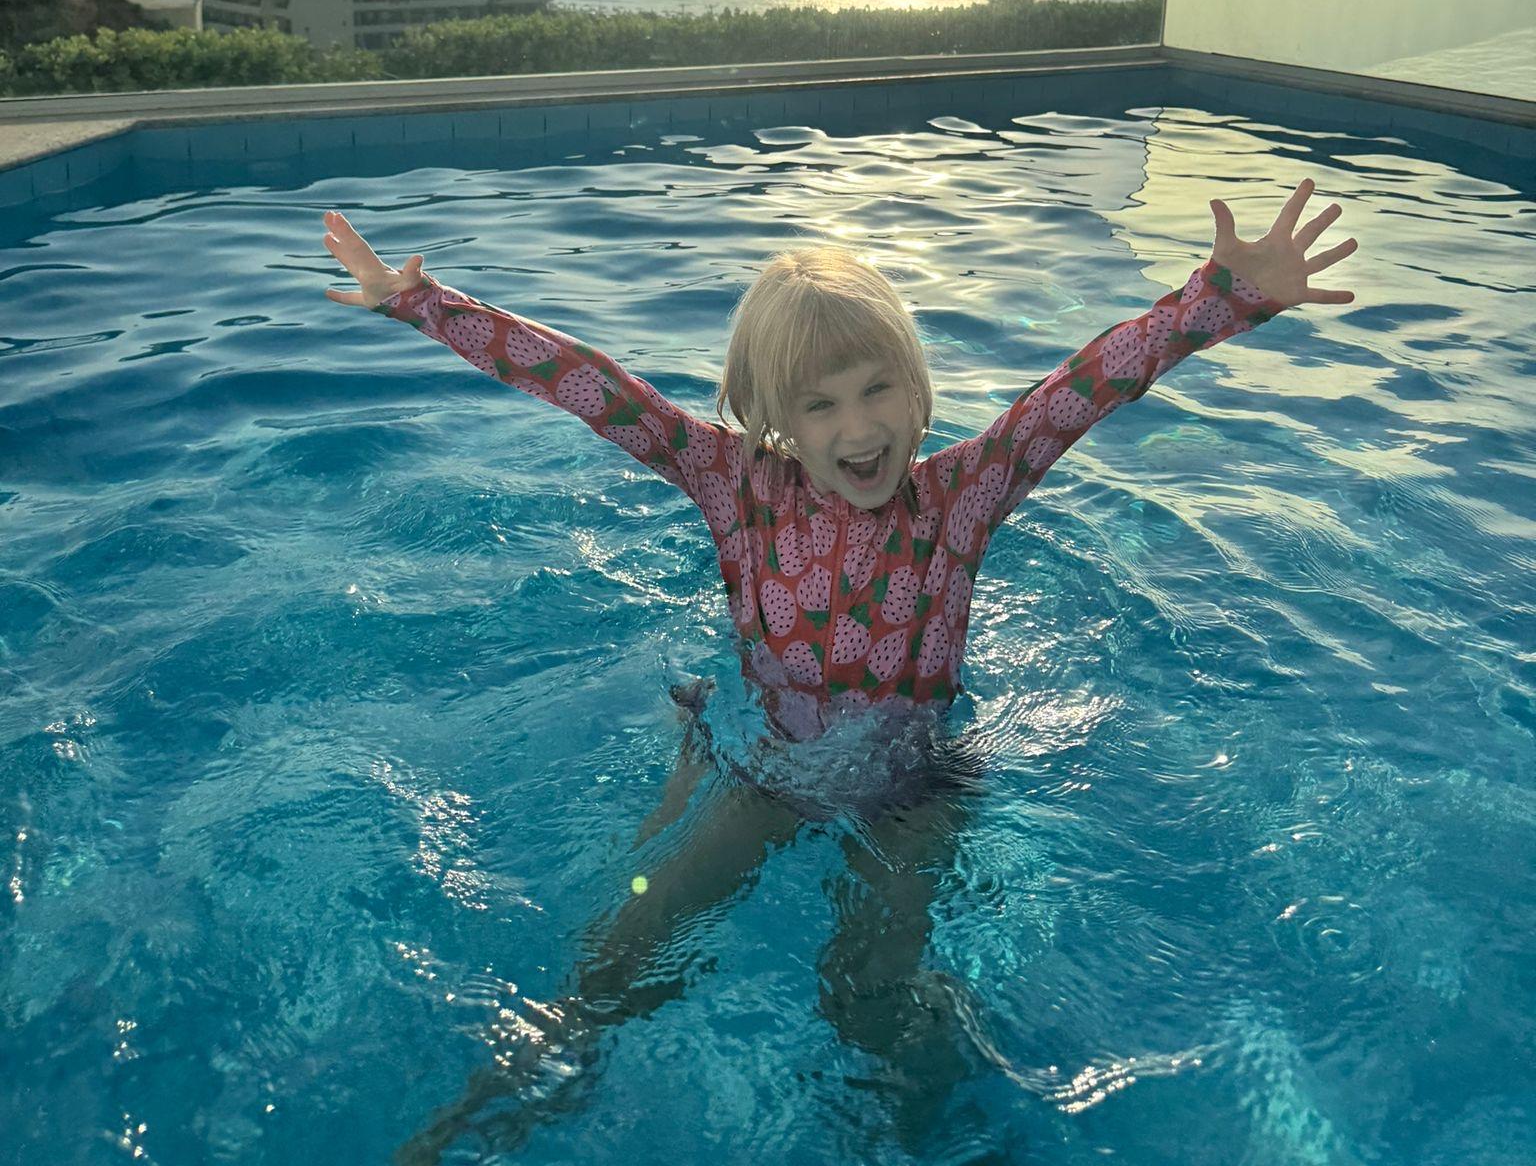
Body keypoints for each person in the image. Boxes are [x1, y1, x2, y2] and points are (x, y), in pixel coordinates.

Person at [322, 176, 1356, 1160]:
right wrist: (424, 303)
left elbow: (1082, 389)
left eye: (878, 389)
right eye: (820, 406)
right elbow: (593, 388)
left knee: (866, 999)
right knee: (619, 955)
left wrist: (1222, 298)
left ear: (916, 385)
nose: (859, 427)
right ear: (772, 418)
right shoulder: (734, 485)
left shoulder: (966, 490)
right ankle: (507, 1107)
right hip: (761, 764)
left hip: (911, 785)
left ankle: (944, 1132)